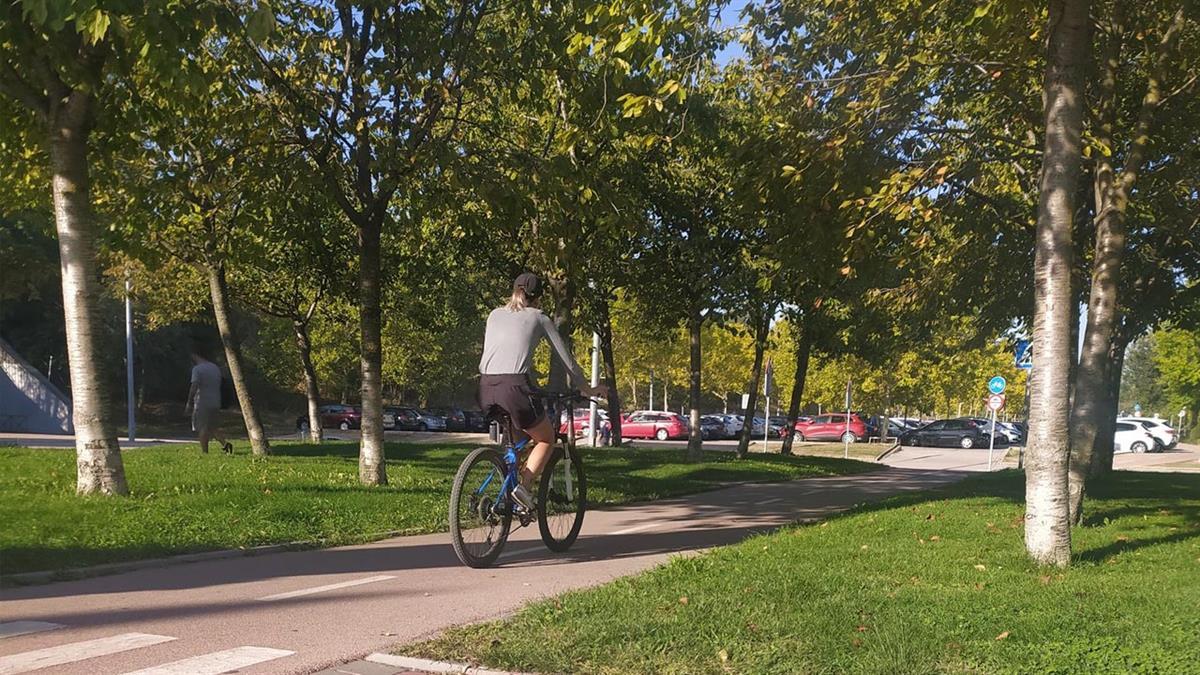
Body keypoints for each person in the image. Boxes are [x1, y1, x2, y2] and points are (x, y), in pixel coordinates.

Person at [478, 272, 604, 511]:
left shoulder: (494, 314)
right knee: (546, 438)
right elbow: (568, 361)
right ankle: (524, 489)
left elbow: (501, 354)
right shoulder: (539, 317)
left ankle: (506, 499)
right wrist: (588, 389)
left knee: (516, 440)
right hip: (514, 387)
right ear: (538, 297)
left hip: (485, 387)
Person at [185, 344, 232, 454]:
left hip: (202, 402)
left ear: (195, 356)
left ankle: (205, 452)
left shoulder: (197, 369)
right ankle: (226, 445)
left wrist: (189, 402)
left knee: (202, 428)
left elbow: (194, 386)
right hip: (216, 401)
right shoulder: (214, 367)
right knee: (212, 427)